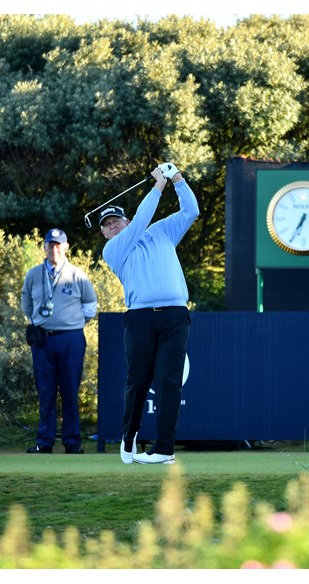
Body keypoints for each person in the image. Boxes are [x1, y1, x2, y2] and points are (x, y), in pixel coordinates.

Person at [99, 162, 199, 465]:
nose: (114, 227)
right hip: (140, 317)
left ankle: (164, 449)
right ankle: (128, 438)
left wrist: (178, 179)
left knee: (169, 381)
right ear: (104, 234)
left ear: (126, 221)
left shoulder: (161, 232)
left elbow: (191, 211)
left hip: (174, 315)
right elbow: (143, 217)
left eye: (117, 221)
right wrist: (158, 185)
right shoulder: (114, 250)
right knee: (138, 381)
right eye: (108, 225)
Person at [21, 227, 97, 454]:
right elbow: (26, 302)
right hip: (43, 339)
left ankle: (72, 442)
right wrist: (36, 321)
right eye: (50, 245)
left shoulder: (77, 274)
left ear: (66, 248)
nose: (54, 249)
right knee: (45, 391)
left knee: (69, 390)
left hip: (71, 339)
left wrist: (71, 322)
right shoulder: (34, 274)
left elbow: (90, 306)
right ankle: (44, 442)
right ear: (44, 247)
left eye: (58, 245)